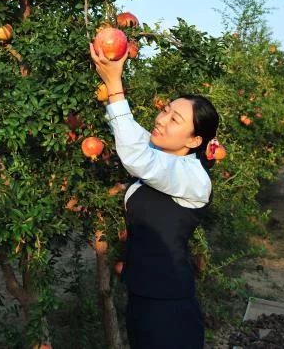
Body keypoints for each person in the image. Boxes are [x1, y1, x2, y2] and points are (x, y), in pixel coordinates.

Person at [90, 43, 218, 349]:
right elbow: (135, 138)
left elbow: (137, 157)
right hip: (142, 297)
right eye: (165, 110)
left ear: (195, 139)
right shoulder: (163, 159)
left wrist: (115, 86)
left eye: (175, 120)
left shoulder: (194, 177)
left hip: (168, 308)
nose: (161, 119)